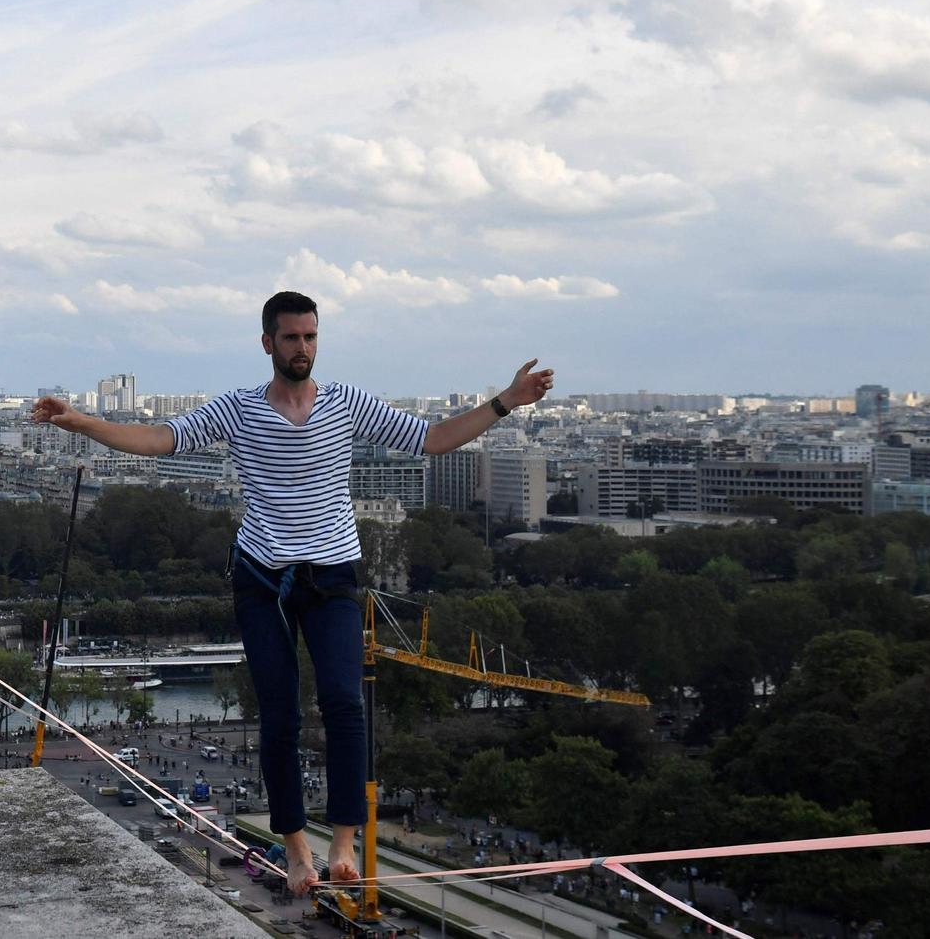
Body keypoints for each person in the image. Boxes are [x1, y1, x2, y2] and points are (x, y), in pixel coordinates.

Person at [30, 290, 553, 895]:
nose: (302, 347)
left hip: (331, 576)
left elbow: (432, 439)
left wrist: (505, 403)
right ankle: (297, 848)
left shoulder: (347, 403)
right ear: (267, 343)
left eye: (310, 337)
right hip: (261, 579)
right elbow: (159, 439)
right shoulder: (241, 409)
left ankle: (344, 842)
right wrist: (79, 423)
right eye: (291, 338)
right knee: (278, 714)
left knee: (344, 702)